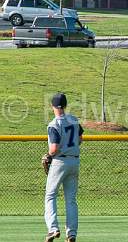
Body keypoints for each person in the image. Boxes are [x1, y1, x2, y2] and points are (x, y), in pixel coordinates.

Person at [43, 93, 83, 242]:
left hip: (60, 162)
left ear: (52, 107)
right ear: (65, 106)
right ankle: (71, 234)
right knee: (71, 199)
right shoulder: (73, 120)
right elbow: (79, 140)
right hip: (74, 161)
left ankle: (53, 229)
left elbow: (54, 148)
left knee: (50, 195)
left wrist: (48, 155)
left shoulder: (54, 124)